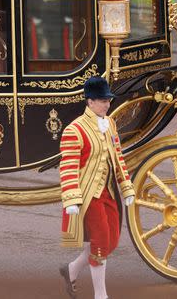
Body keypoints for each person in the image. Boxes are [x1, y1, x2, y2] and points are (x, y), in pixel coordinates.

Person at [58, 76, 135, 299]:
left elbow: (118, 157)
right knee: (100, 241)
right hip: (88, 194)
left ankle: (71, 269)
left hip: (107, 191)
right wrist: (71, 199)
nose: (107, 105)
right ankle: (100, 295)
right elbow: (69, 167)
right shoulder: (74, 130)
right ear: (90, 102)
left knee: (111, 241)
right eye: (103, 101)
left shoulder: (109, 123)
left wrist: (126, 187)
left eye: (108, 101)